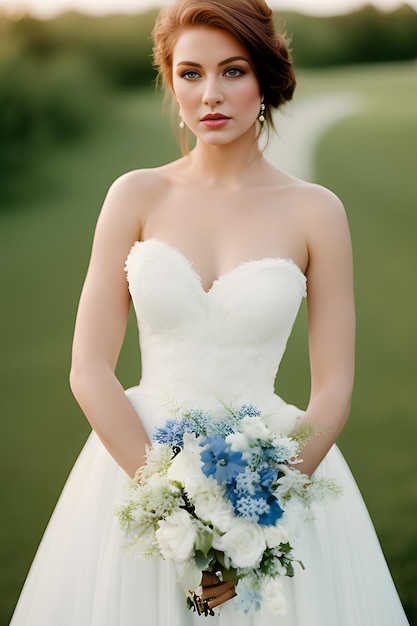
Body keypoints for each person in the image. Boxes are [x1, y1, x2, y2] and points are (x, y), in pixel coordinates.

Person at [9, 1, 409, 624]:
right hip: (135, 463)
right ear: (170, 80)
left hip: (272, 471)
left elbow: (334, 388)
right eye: (190, 73)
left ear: (266, 79)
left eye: (233, 71)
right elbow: (88, 367)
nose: (210, 94)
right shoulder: (136, 195)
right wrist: (171, 505)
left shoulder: (316, 212)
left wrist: (255, 510)